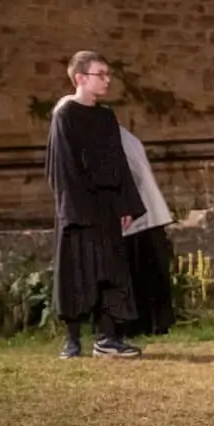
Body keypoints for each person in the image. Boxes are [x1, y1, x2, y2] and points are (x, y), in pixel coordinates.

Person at [46, 50, 145, 359]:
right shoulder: (65, 116)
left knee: (112, 273)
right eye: (100, 74)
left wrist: (125, 205)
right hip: (78, 209)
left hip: (107, 207)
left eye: (108, 74)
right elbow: (63, 166)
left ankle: (108, 338)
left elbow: (118, 161)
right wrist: (76, 210)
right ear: (80, 78)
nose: (107, 80)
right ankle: (72, 342)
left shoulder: (105, 117)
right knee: (76, 274)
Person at [117, 126, 177, 338]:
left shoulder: (113, 138)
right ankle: (153, 323)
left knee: (140, 272)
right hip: (145, 212)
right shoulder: (125, 136)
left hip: (136, 213)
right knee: (149, 271)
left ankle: (139, 324)